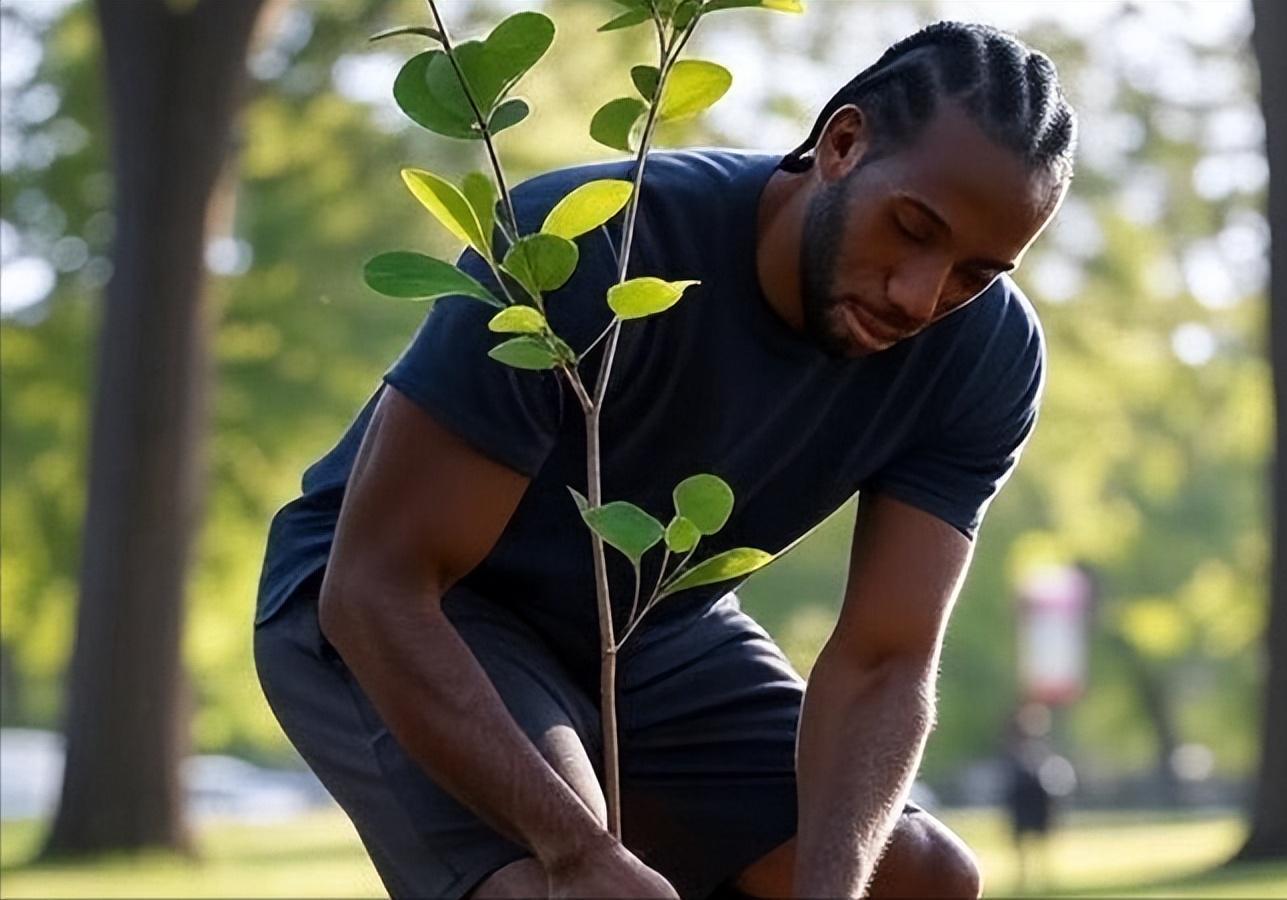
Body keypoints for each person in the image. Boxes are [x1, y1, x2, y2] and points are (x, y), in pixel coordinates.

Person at [253, 20, 1076, 900]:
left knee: (921, 879)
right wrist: (580, 856)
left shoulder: (985, 358)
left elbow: (884, 662)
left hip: (656, 626)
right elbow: (376, 588)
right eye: (910, 229)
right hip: (409, 604)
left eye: (975, 275)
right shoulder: (588, 251)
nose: (921, 296)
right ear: (842, 144)